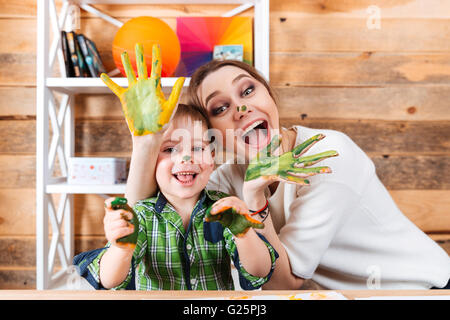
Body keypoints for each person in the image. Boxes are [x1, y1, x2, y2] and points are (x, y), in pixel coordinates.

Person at [127, 58, 450, 290]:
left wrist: (255, 200)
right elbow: (150, 215)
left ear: (269, 95)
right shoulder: (227, 178)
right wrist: (146, 144)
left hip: (419, 288)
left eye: (248, 91)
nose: (241, 109)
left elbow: (284, 282)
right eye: (220, 108)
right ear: (213, 135)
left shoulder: (328, 154)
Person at [73, 104, 278, 290]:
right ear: (151, 159)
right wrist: (121, 249)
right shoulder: (142, 215)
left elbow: (259, 272)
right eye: (170, 149)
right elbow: (109, 281)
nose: (185, 158)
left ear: (212, 159)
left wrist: (244, 233)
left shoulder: (224, 209)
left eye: (198, 148)